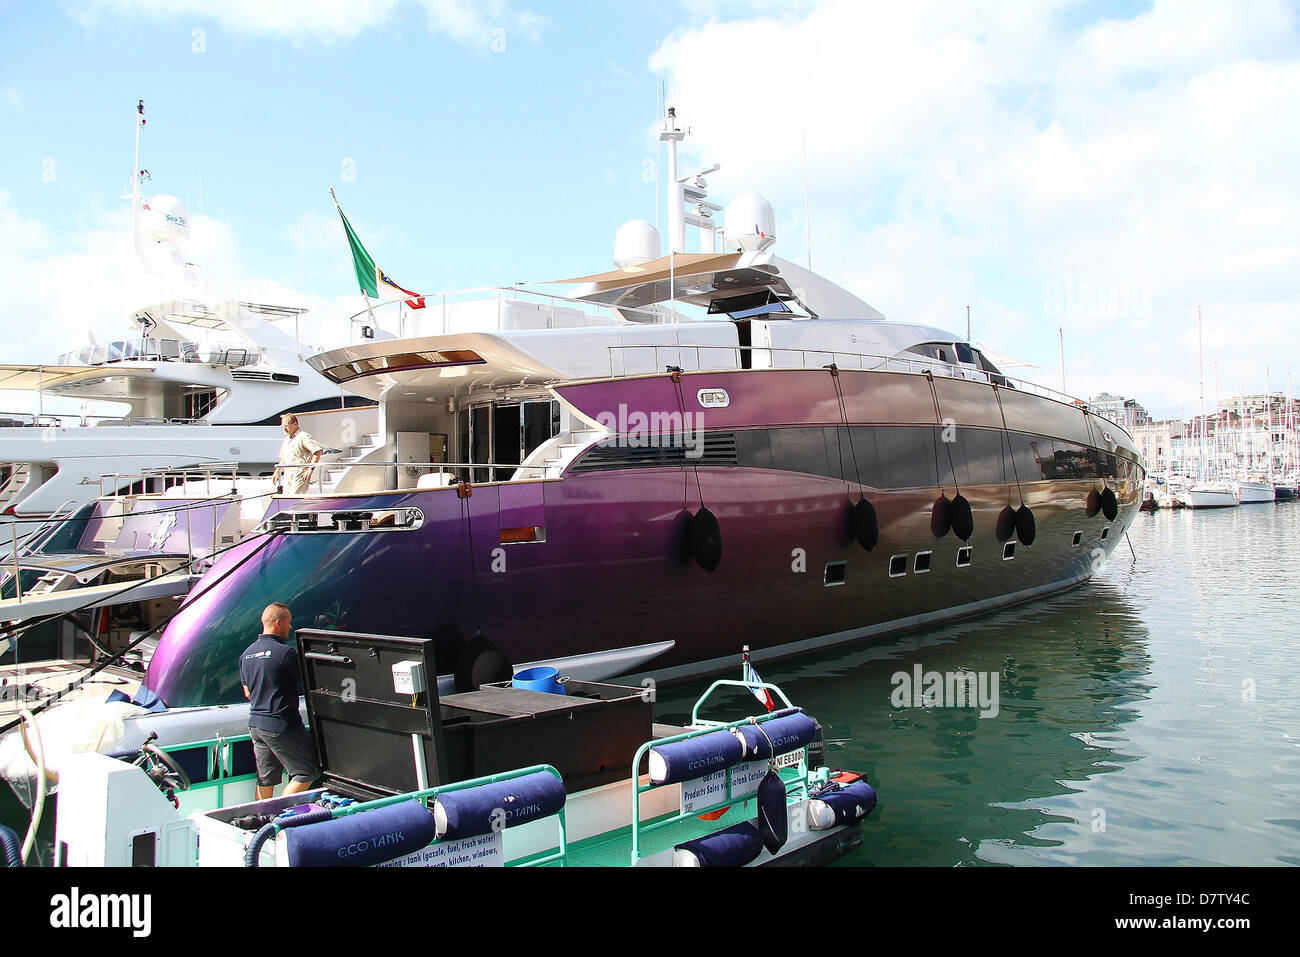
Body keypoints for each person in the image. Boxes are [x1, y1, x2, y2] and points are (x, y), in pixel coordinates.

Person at [240, 602, 318, 800]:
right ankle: (280, 814)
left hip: (256, 724)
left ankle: (261, 818)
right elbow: (308, 684)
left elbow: (247, 692)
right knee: (306, 772)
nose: (291, 627)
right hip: (281, 723)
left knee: (266, 779)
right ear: (278, 623)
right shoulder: (286, 653)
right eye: (288, 622)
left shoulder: (246, 654)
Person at [273, 413, 323, 494]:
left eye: (286, 426)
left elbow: (317, 451)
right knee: (286, 497)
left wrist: (310, 468)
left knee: (295, 495)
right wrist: (277, 472)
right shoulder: (287, 440)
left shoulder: (303, 436)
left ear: (295, 424)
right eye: (282, 426)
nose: (284, 429)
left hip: (300, 472)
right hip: (288, 473)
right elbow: (283, 458)